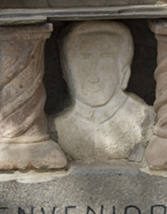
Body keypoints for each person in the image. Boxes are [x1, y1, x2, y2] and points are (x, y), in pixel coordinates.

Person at [52, 21, 154, 162]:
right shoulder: (58, 125)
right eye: (84, 61)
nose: (93, 76)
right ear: (67, 72)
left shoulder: (143, 118)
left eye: (104, 62)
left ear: (124, 74)